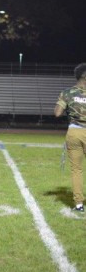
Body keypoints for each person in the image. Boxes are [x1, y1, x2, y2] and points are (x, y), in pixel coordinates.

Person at [54, 63, 86, 212]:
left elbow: (57, 113)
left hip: (74, 132)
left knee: (76, 170)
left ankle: (79, 204)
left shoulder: (67, 93)